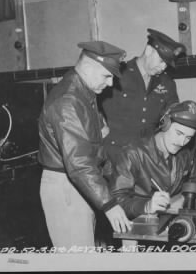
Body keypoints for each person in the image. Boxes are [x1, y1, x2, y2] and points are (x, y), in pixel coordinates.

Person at [38, 41, 132, 248]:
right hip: (68, 186)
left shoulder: (84, 92)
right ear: (88, 68)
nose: (110, 84)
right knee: (77, 258)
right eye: (107, 76)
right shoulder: (68, 101)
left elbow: (97, 140)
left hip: (79, 183)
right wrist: (108, 204)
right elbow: (79, 163)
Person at [109, 100, 196, 219]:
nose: (182, 142)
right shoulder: (133, 153)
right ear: (164, 123)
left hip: (169, 219)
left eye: (188, 137)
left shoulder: (187, 150)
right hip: (136, 222)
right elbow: (116, 201)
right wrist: (146, 206)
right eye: (179, 133)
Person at [99, 28, 186, 160]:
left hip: (148, 157)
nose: (163, 67)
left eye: (167, 64)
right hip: (115, 155)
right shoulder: (117, 75)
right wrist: (99, 124)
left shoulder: (167, 83)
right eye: (161, 61)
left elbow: (174, 115)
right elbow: (89, 101)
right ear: (149, 51)